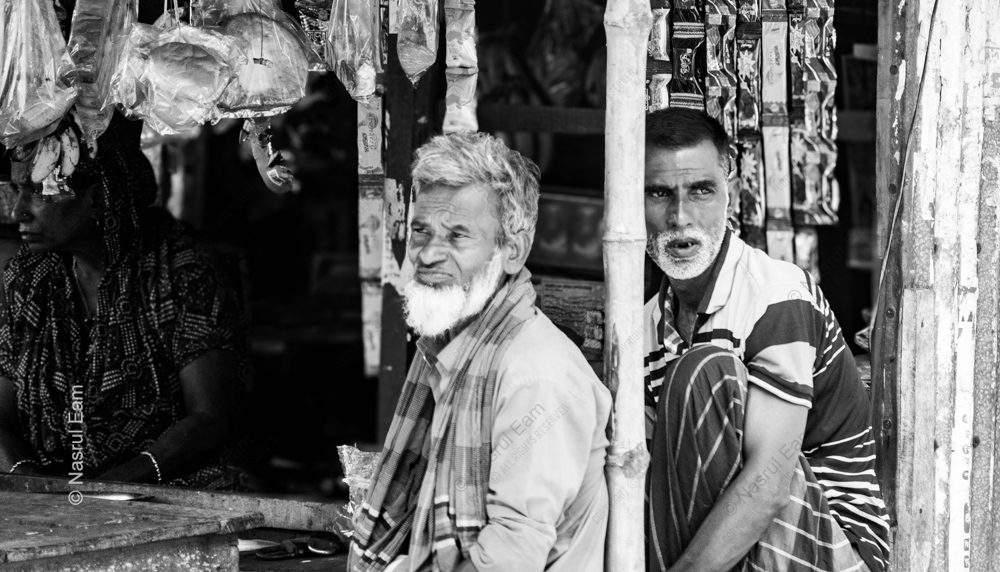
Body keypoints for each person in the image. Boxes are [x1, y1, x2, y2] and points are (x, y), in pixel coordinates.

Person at [641, 108, 890, 571]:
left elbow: (769, 483)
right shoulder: (644, 326)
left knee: (705, 372)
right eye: (658, 193)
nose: (680, 217)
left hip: (833, 548)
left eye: (701, 191)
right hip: (730, 546)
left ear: (730, 195)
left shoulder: (777, 294)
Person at [349, 132, 611, 572]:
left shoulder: (536, 374)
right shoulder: (449, 347)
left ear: (512, 250)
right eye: (420, 231)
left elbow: (509, 559)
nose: (428, 253)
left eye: (457, 236)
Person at [0, 115, 249, 489]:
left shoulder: (178, 267)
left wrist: (108, 490)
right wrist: (32, 480)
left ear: (98, 197)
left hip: (169, 498)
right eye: (17, 190)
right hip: (55, 499)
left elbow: (209, 416)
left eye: (37, 192)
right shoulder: (28, 278)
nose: (18, 211)